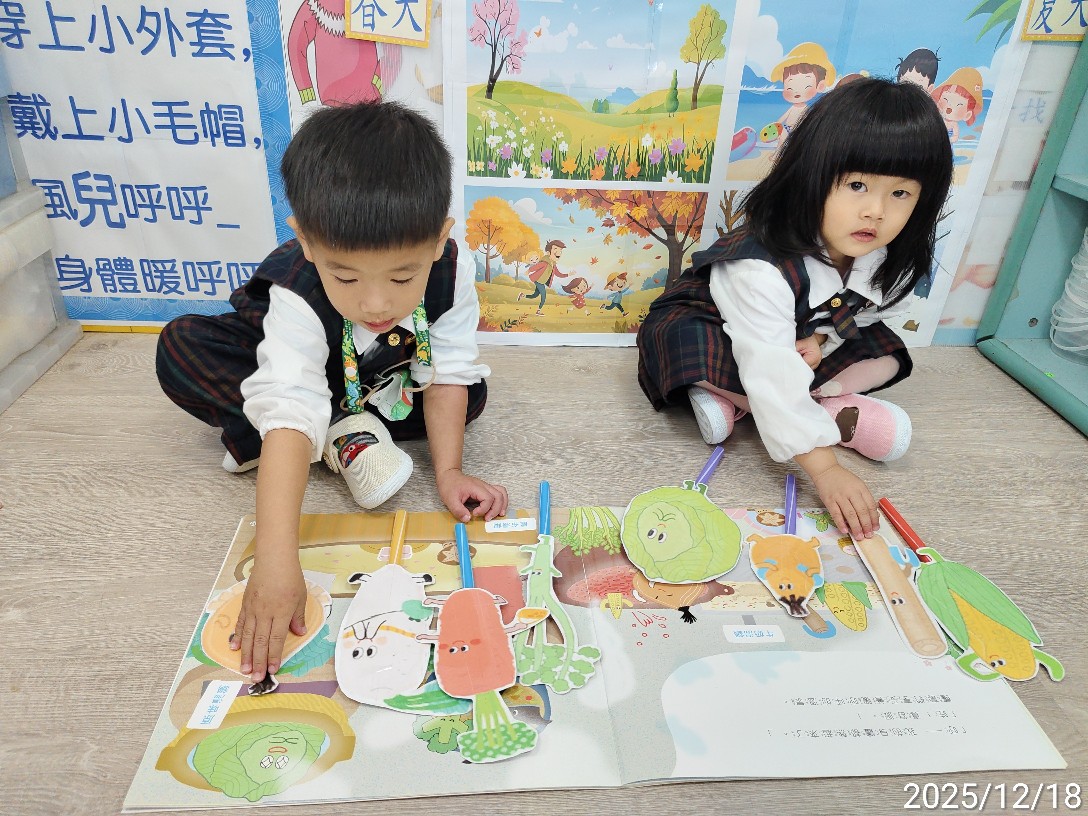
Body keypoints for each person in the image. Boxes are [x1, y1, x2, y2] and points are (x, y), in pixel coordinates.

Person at [156, 101, 508, 683]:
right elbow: (290, 404)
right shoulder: (298, 290)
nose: (375, 303)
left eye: (402, 277)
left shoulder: (453, 268)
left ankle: (343, 431)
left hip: (380, 382)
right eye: (344, 276)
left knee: (467, 393)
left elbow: (446, 369)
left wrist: (448, 472)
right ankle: (340, 433)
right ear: (306, 241)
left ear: (439, 240)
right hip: (311, 374)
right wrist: (275, 563)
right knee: (183, 347)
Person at [637, 78, 952, 540]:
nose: (876, 211)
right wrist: (826, 470)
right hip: (719, 328)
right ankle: (804, 412)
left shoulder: (882, 257)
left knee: (887, 353)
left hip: (800, 338)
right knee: (695, 347)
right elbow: (766, 361)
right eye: (857, 185)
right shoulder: (758, 267)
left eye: (900, 194)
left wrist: (822, 339)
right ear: (811, 176)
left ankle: (759, 405)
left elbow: (862, 316)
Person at [518, 239, 567, 315]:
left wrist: (567, 275)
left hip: (541, 282)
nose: (559, 253)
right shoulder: (545, 263)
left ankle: (522, 295)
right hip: (539, 282)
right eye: (555, 250)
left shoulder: (553, 264)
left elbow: (558, 274)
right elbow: (536, 267)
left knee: (535, 295)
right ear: (548, 252)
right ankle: (538, 311)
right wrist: (528, 271)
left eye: (560, 251)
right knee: (543, 296)